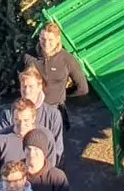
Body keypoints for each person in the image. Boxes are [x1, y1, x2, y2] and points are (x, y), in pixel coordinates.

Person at [23, 22, 89, 151]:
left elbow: (82, 88)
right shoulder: (28, 57)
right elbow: (19, 80)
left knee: (54, 150)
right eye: (43, 38)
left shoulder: (67, 59)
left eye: (50, 39)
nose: (46, 43)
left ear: (58, 39)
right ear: (39, 38)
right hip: (32, 112)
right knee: (32, 149)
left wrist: (63, 94)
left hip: (55, 111)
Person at [0, 68, 63, 165]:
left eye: (31, 86)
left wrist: (46, 171)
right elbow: (2, 144)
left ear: (40, 87)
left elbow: (57, 149)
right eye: (24, 86)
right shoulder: (8, 114)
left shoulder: (53, 115)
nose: (27, 90)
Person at [0, 99, 39, 182]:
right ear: (12, 118)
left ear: (33, 118)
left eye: (26, 120)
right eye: (17, 120)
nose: (21, 126)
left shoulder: (44, 138)